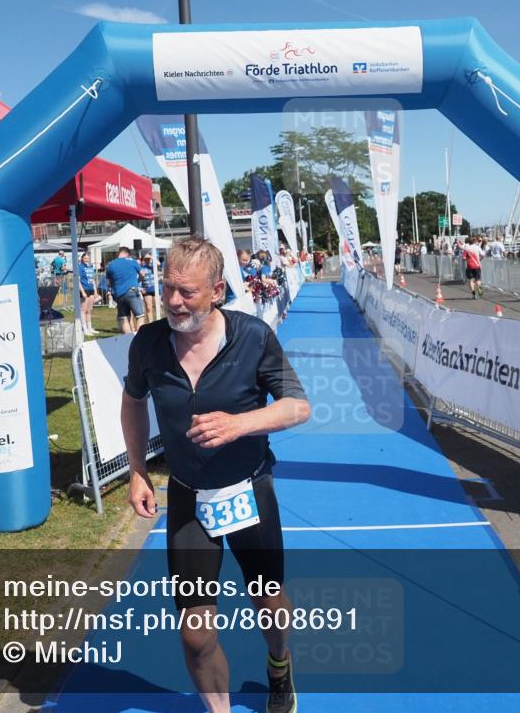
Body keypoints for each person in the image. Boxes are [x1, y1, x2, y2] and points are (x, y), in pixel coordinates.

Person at [122, 236, 310, 713]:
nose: (172, 302)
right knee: (195, 634)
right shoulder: (147, 343)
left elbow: (298, 406)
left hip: (248, 491)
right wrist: (138, 471)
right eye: (166, 289)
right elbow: (132, 403)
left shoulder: (252, 337)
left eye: (186, 292)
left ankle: (279, 663)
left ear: (217, 291)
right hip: (188, 497)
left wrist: (240, 424)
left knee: (269, 606)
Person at [106, 246, 144, 334]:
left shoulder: (110, 265)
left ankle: (128, 341)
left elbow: (108, 282)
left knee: (124, 318)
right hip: (132, 291)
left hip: (119, 295)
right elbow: (142, 274)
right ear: (127, 254)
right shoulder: (132, 261)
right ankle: (140, 339)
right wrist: (138, 281)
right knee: (140, 316)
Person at [78, 253, 100, 335]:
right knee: (83, 310)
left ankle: (90, 328)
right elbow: (78, 281)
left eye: (88, 258)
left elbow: (92, 279)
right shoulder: (80, 267)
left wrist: (95, 291)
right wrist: (82, 291)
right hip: (84, 289)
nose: (87, 259)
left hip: (91, 289)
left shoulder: (91, 267)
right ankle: (84, 329)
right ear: (82, 259)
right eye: (85, 258)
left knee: (89, 310)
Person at [140, 253, 158, 324]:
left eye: (148, 260)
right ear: (144, 260)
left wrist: (151, 257)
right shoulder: (141, 268)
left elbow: (158, 263)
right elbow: (140, 279)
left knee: (157, 306)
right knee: (148, 308)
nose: (147, 261)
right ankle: (151, 324)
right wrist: (141, 288)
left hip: (155, 288)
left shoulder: (153, 266)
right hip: (146, 289)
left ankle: (158, 322)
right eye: (146, 259)